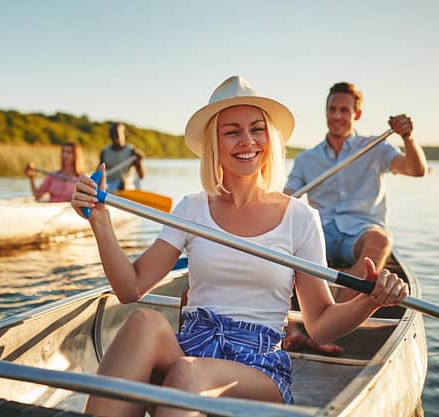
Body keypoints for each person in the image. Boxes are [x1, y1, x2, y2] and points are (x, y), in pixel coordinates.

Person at [71, 75, 408, 416]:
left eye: (256, 129)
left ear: (269, 138)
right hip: (194, 345)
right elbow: (130, 288)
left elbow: (320, 322)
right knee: (143, 321)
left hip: (258, 366)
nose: (247, 140)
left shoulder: (300, 217)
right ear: (214, 143)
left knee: (189, 372)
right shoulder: (191, 209)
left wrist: (369, 303)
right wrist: (100, 222)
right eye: (232, 131)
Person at [284, 82, 427, 302]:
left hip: (359, 233)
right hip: (320, 233)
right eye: (332, 110)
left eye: (344, 110)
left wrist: (407, 137)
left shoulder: (376, 148)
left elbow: (416, 170)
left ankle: (335, 317)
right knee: (284, 236)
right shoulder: (306, 159)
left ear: (357, 114)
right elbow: (286, 199)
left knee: (381, 240)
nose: (337, 116)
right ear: (326, 112)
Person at [100, 122, 145, 192]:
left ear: (123, 134)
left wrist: (140, 162)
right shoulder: (104, 152)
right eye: (112, 134)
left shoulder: (132, 151)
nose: (114, 137)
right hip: (109, 186)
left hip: (127, 186)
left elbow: (142, 175)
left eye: (117, 134)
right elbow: (99, 172)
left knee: (122, 183)